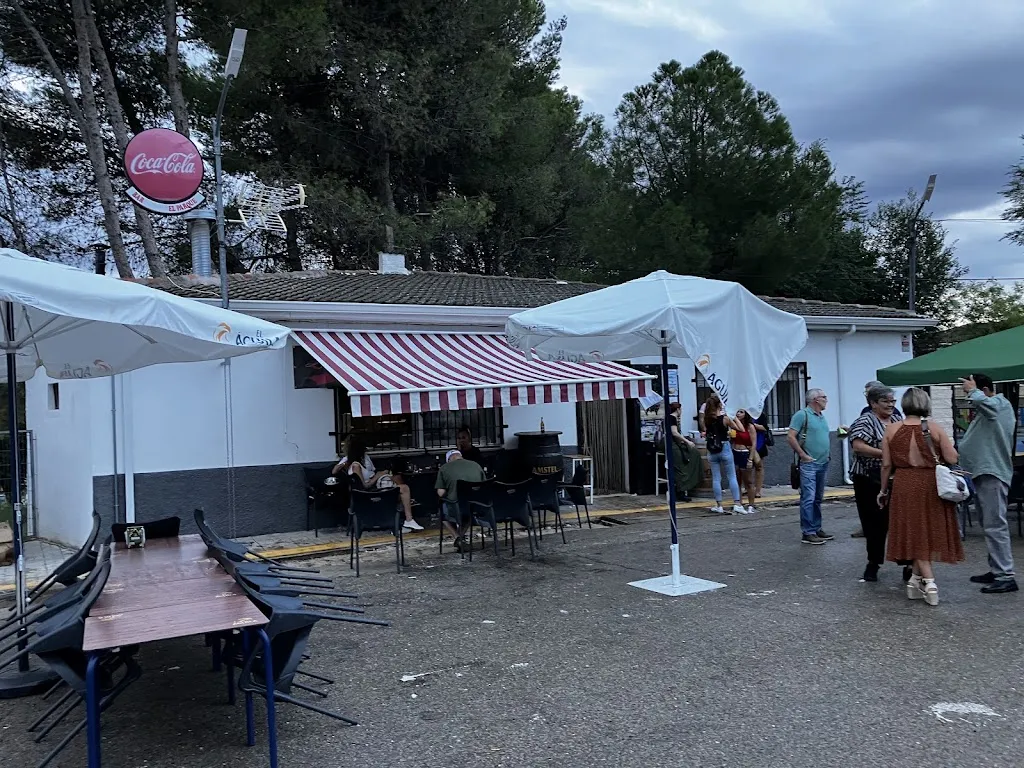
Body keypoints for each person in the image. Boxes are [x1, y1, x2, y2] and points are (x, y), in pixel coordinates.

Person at [880, 387, 963, 606]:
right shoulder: (933, 428)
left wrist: (882, 490)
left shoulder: (891, 430)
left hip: (904, 483)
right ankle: (930, 582)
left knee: (913, 531)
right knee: (926, 531)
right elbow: (952, 457)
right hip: (930, 484)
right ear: (925, 404)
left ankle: (915, 581)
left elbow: (887, 464)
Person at [960, 373, 1019, 594]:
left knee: (996, 525)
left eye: (971, 393)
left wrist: (973, 391)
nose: (969, 398)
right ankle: (997, 569)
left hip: (992, 472)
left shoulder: (999, 404)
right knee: (990, 524)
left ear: (984, 391)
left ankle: (1005, 575)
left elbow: (989, 406)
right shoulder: (989, 409)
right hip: (983, 473)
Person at [848, 385, 904, 581]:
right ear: (873, 403)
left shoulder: (897, 419)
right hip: (868, 478)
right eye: (886, 402)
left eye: (892, 401)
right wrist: (886, 454)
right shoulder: (865, 421)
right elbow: (858, 446)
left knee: (899, 521)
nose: (890, 405)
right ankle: (873, 563)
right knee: (874, 523)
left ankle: (907, 563)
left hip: (895, 477)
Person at [334, 437, 423, 531]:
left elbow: (372, 471)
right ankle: (405, 519)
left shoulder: (364, 459)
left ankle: (406, 517)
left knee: (397, 478)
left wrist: (381, 474)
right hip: (370, 491)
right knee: (403, 489)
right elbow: (364, 486)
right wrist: (377, 476)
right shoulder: (356, 466)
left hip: (374, 484)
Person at [788, 389, 833, 544]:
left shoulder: (821, 416)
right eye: (824, 397)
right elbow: (791, 436)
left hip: (823, 462)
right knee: (809, 497)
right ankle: (808, 532)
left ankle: (816, 528)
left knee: (817, 499)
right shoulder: (802, 415)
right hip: (809, 463)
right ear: (815, 400)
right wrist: (802, 454)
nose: (826, 400)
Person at [436, 448, 486, 553]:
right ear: (460, 456)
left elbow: (441, 493)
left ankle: (457, 537)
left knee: (442, 512)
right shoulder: (476, 465)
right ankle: (460, 538)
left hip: (457, 507)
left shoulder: (444, 468)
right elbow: (484, 485)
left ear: (448, 460)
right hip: (478, 506)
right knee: (468, 514)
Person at [701, 395, 745, 515]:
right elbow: (741, 429)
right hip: (724, 448)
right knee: (731, 476)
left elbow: (706, 431)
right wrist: (734, 417)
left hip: (712, 450)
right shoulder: (725, 419)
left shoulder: (706, 419)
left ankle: (719, 505)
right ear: (719, 405)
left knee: (716, 478)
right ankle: (737, 504)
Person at [667, 402, 702, 503]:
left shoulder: (670, 418)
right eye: (681, 409)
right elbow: (674, 432)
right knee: (681, 465)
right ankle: (681, 490)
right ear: (678, 410)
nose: (681, 411)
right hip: (672, 446)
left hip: (672, 444)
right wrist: (687, 442)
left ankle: (682, 488)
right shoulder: (672, 418)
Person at [732, 409, 760, 514]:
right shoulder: (734, 425)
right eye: (737, 411)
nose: (738, 413)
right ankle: (738, 503)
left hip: (745, 453)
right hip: (735, 452)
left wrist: (750, 459)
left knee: (748, 481)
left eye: (741, 412)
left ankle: (751, 505)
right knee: (737, 480)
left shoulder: (750, 426)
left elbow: (753, 444)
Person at [753, 412, 772, 498]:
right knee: (745, 469)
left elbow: (765, 428)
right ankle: (747, 488)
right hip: (746, 444)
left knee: (759, 467)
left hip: (759, 444)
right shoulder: (742, 413)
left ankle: (758, 490)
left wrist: (753, 425)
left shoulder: (760, 414)